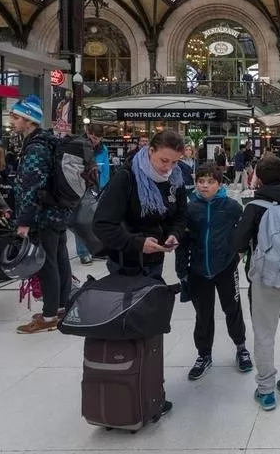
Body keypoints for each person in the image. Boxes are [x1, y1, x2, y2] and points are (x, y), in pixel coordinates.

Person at [92, 130, 187, 418]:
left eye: (174, 162)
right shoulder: (126, 178)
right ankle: (125, 390)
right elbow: (103, 224)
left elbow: (179, 215)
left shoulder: (175, 179)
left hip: (154, 261)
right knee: (125, 329)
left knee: (149, 328)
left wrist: (173, 234)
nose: (167, 168)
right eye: (163, 160)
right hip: (125, 263)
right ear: (149, 151)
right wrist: (135, 243)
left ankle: (148, 391)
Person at [231, 155, 280, 411]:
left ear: (258, 178)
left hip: (266, 280)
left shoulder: (254, 206)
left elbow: (238, 244)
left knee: (264, 334)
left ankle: (266, 391)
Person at [176, 163, 252, 381]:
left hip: (225, 268)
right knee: (203, 314)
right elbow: (183, 241)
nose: (204, 186)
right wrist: (182, 270)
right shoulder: (190, 209)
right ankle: (204, 354)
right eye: (201, 181)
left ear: (219, 184)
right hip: (199, 270)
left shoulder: (231, 207)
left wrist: (239, 254)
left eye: (210, 181)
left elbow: (243, 233)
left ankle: (241, 347)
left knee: (233, 309)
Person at [9, 95, 72, 335]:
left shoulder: (36, 147)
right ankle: (60, 308)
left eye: (16, 117)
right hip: (58, 212)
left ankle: (49, 316)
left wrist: (24, 221)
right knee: (60, 261)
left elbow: (33, 186)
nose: (12, 121)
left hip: (43, 215)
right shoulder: (48, 142)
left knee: (47, 265)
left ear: (29, 120)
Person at [74, 124, 111, 265]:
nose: (95, 141)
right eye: (94, 137)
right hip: (80, 188)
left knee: (96, 220)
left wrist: (104, 188)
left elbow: (105, 170)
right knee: (81, 220)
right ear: (87, 133)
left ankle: (96, 249)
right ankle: (83, 252)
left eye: (98, 138)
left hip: (97, 188)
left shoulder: (103, 149)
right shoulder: (78, 146)